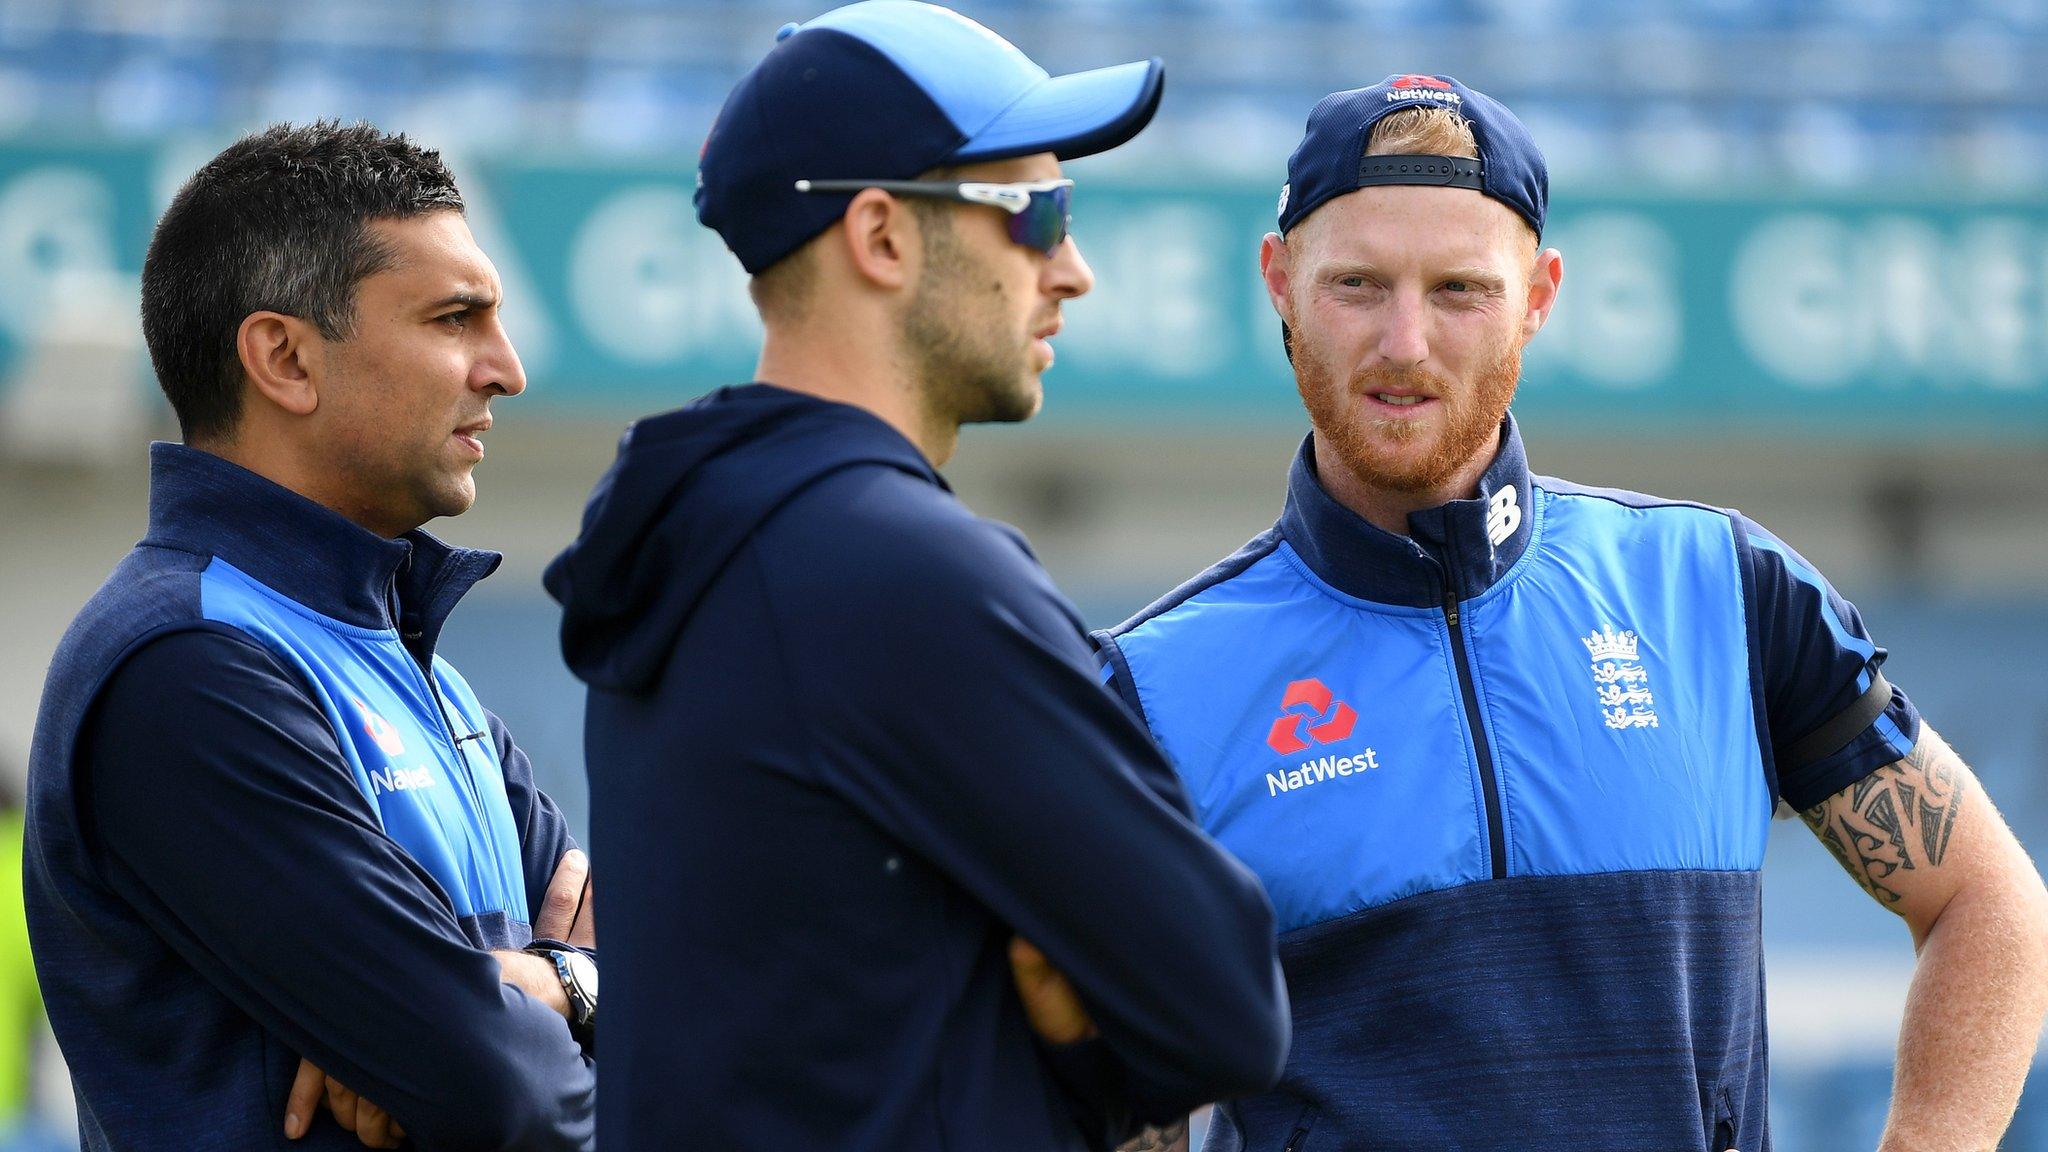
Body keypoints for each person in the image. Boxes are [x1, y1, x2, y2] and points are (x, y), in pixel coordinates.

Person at [1093, 74, 2048, 1152]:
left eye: (1459, 290)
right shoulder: (1149, 691)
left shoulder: (1720, 587)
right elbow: (1116, 1092)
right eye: (1357, 284)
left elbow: (1987, 903)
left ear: (1539, 296)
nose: (1403, 342)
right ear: (1277, 281)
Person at [542, 3, 1290, 1149]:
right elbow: (1227, 1006)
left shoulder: (699, 528)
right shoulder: (896, 569)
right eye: (1035, 213)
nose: (1074, 270)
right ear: (882, 237)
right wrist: (1067, 1019)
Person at [24, 122, 599, 1151]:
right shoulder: (187, 667)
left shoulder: (415, 664)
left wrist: (552, 984)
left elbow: (674, 988)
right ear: (285, 357)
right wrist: (541, 1006)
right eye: (455, 318)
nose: (505, 369)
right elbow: (503, 1091)